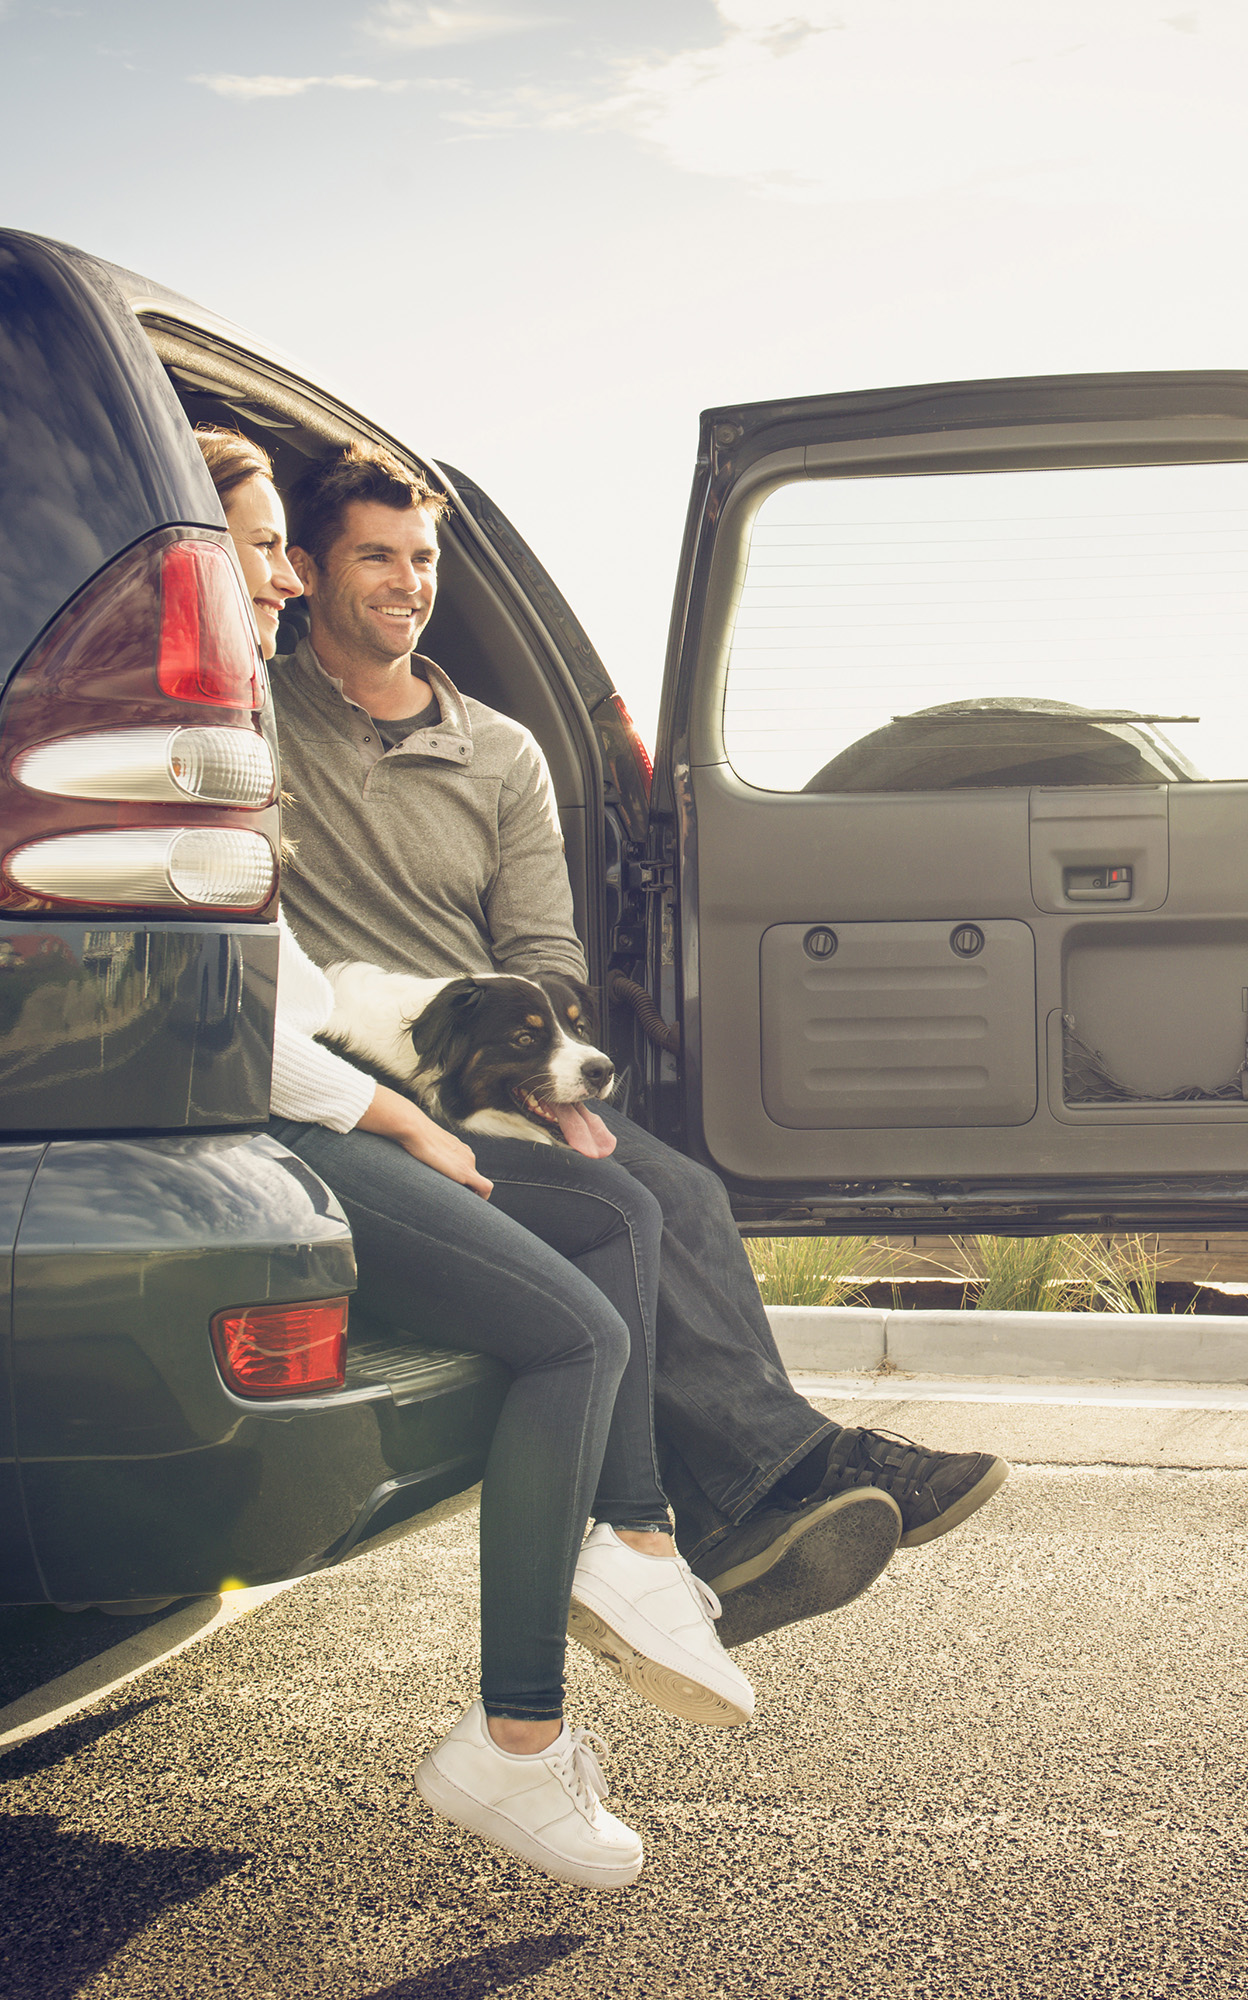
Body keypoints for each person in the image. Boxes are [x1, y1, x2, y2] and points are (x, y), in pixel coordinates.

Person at [269, 442, 1010, 1644]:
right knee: (640, 1205)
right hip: (348, 1081)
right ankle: (770, 1484)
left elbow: (546, 954)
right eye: (375, 557)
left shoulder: (502, 752)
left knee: (684, 1190)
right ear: (304, 569)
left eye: (423, 558)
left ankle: (758, 1493)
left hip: (477, 1071)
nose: (408, 581)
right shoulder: (259, 723)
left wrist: (513, 1055)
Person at [199, 426, 762, 1892]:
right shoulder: (228, 719)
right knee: (588, 1303)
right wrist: (400, 1112)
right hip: (309, 1101)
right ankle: (585, 1627)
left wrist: (475, 1078)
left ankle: (646, 1550)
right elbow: (243, 1007)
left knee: (639, 1205)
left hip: (406, 1069)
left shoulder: (474, 745)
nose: (402, 584)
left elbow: (498, 960)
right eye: (272, 551)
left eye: (421, 558)